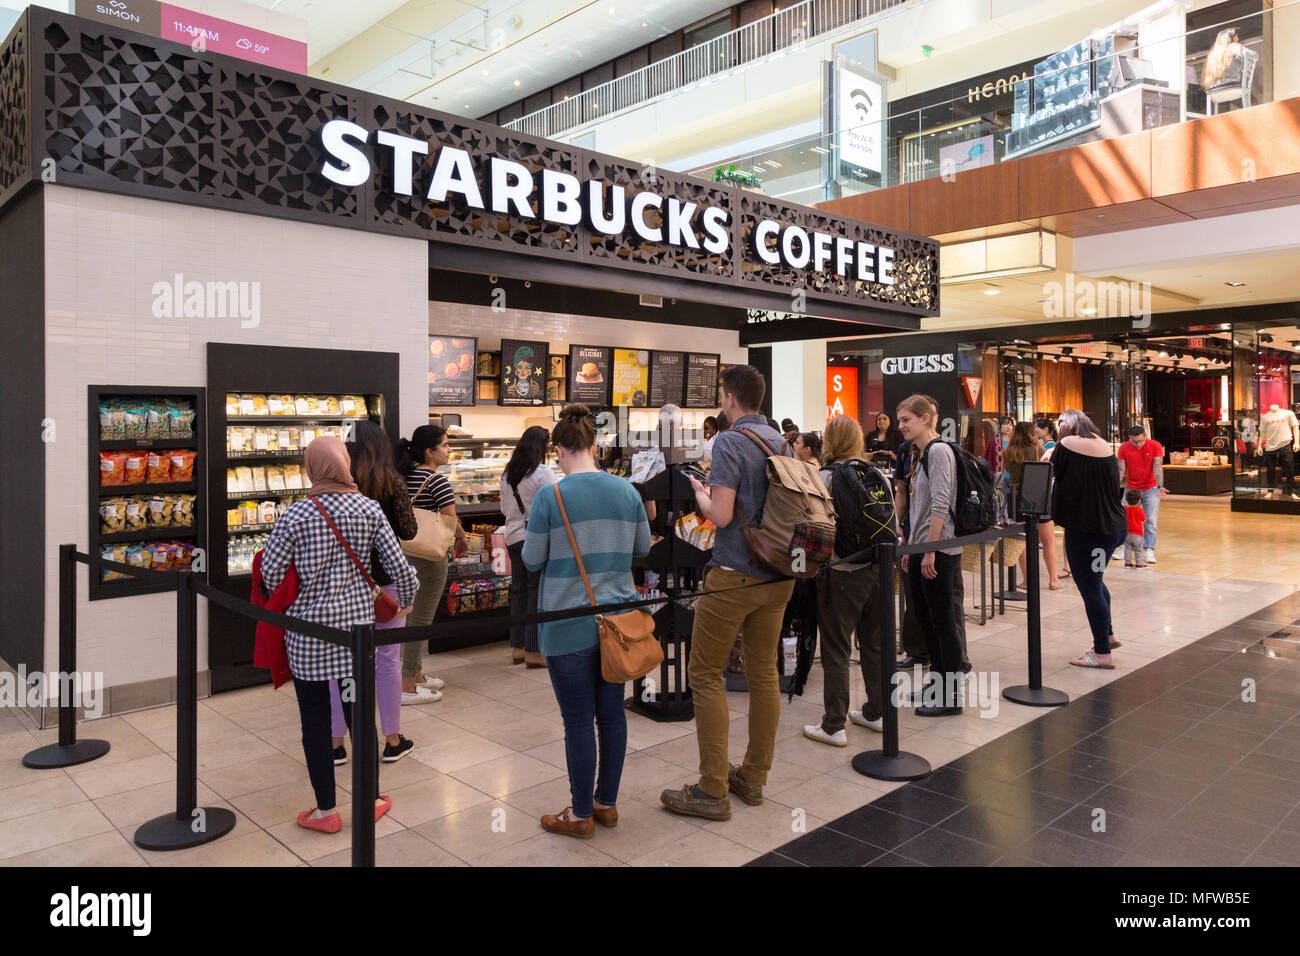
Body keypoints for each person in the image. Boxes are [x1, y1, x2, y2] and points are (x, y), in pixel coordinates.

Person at [259, 437, 419, 833]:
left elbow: (270, 576)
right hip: (356, 640)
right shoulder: (367, 509)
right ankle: (370, 800)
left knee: (313, 721)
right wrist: (405, 601)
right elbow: (400, 568)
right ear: (344, 465)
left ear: (312, 467)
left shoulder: (295, 515)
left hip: (308, 640)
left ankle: (325, 811)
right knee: (360, 720)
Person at [661, 365, 796, 821]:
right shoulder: (782, 441)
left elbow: (719, 517)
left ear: (729, 398)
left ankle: (711, 788)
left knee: (703, 674)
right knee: (763, 674)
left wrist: (701, 495)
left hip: (735, 572)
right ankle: (753, 778)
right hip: (779, 574)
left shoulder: (729, 442)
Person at [522, 404, 650, 839]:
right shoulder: (627, 491)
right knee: (611, 715)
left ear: (558, 450)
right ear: (596, 445)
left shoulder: (550, 497)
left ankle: (579, 815)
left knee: (578, 720)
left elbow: (532, 558)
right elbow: (642, 549)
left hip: (568, 623)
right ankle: (606, 804)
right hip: (618, 624)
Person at [327, 422, 419, 766]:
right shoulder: (391, 480)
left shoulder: (336, 483)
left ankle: (336, 744)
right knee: (387, 660)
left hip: (341, 585)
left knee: (339, 663)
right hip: (384, 586)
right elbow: (409, 531)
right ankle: (392, 740)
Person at [803, 415, 889, 746]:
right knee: (874, 643)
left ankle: (833, 724)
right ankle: (877, 712)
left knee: (837, 648)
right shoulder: (873, 472)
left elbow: (814, 524)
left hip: (840, 572)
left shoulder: (824, 476)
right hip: (877, 568)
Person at [896, 394, 963, 716]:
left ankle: (950, 696)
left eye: (906, 419)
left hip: (938, 550)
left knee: (942, 623)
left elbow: (940, 506)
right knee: (928, 621)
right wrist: (913, 547)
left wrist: (930, 551)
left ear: (925, 418)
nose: (901, 426)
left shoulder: (937, 451)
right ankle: (937, 683)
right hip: (924, 548)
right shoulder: (922, 454)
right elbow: (919, 510)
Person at [396, 424, 469, 703]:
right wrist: (461, 539)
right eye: (445, 445)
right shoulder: (436, 481)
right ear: (429, 451)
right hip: (430, 555)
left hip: (405, 551)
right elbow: (450, 518)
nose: (450, 450)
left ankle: (416, 674)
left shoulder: (404, 476)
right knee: (421, 618)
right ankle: (408, 682)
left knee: (412, 614)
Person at [1051, 409, 1127, 669]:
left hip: (1087, 530)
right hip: (1113, 527)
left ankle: (1102, 653)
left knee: (1090, 587)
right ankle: (1108, 635)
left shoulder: (1066, 444)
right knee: (1096, 582)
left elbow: (1051, 474)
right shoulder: (1102, 443)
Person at [500, 425, 557, 668]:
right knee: (536, 590)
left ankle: (518, 648)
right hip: (536, 536)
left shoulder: (507, 474)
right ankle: (535, 651)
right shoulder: (542, 473)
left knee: (520, 590)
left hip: (512, 536)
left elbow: (504, 509)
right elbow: (557, 502)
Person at [1116, 425, 1167, 564]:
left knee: (1150, 520)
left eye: (1140, 441)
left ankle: (1149, 549)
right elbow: (1121, 469)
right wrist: (1114, 487)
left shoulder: (1155, 446)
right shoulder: (1124, 448)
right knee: (1127, 519)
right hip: (1131, 488)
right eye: (1134, 441)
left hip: (1151, 488)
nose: (1138, 444)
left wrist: (1160, 485)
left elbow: (1157, 466)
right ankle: (1124, 547)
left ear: (1145, 436)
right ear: (1129, 439)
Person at [1122, 489, 1147, 569]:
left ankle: (1127, 563)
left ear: (1126, 499)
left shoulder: (1124, 510)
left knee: (1127, 549)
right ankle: (1139, 564)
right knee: (1138, 550)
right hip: (1137, 534)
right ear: (1139, 500)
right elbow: (1144, 519)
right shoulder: (1139, 510)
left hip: (1126, 534)